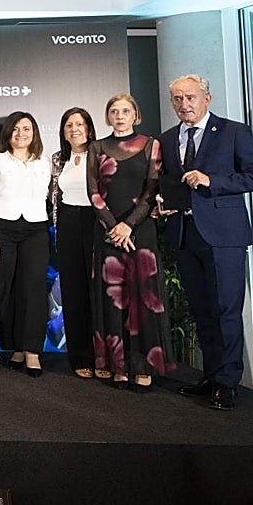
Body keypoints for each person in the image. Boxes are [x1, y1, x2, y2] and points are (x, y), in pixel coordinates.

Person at [158, 74, 253, 411]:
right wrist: (162, 202)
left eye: (191, 97)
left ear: (207, 98)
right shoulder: (168, 139)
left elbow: (251, 175)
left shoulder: (234, 131)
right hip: (184, 233)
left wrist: (212, 180)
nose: (184, 104)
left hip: (224, 234)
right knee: (203, 310)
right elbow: (171, 183)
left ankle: (228, 383)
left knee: (226, 310)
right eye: (178, 99)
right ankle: (212, 375)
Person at [86, 94, 176, 391]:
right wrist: (114, 228)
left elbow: (152, 190)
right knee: (113, 300)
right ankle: (117, 365)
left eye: (125, 111)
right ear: (107, 116)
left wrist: (128, 225)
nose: (120, 115)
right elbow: (94, 193)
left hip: (140, 231)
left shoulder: (152, 145)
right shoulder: (97, 147)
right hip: (108, 234)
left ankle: (142, 365)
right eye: (114, 111)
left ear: (135, 115)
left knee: (141, 298)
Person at [0, 111, 52, 377]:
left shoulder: (44, 162)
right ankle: (15, 347)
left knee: (32, 289)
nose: (21, 134)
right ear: (7, 133)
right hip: (3, 230)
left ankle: (32, 351)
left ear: (35, 133)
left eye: (27, 129)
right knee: (5, 288)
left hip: (35, 229)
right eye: (16, 129)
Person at [49, 107, 97, 379]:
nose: (74, 129)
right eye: (69, 125)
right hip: (67, 222)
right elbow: (54, 197)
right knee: (73, 290)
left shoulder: (100, 155)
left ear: (89, 128)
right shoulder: (57, 159)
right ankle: (80, 356)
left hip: (96, 222)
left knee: (97, 290)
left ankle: (102, 354)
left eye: (79, 124)